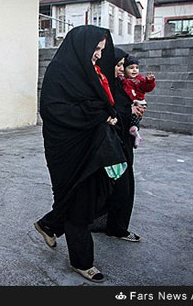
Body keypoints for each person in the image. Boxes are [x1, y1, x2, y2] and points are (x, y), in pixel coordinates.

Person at [33, 25, 126, 283]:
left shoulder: (92, 72)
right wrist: (98, 113)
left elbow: (105, 100)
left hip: (92, 146)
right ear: (81, 46)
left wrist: (109, 113)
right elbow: (55, 111)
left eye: (101, 50)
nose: (98, 55)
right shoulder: (60, 72)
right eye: (96, 49)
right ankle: (82, 262)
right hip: (67, 148)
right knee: (78, 203)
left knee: (86, 196)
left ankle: (50, 224)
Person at [90, 47, 145, 242]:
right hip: (112, 146)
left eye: (124, 64)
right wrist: (127, 111)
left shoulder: (117, 84)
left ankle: (112, 225)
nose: (122, 69)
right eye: (119, 65)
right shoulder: (103, 85)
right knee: (120, 187)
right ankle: (116, 228)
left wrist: (133, 110)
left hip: (122, 144)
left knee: (119, 187)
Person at [120, 56, 156, 148]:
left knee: (135, 118)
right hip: (131, 103)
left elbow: (147, 88)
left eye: (136, 68)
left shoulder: (139, 80)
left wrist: (150, 81)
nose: (134, 70)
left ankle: (135, 131)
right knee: (132, 120)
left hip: (139, 102)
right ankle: (135, 132)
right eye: (131, 68)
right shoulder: (124, 80)